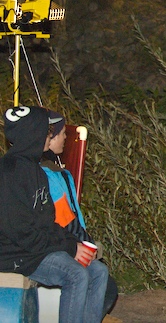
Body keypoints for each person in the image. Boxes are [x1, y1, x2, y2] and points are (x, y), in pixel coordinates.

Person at [0, 106, 109, 323]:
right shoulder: (10, 173)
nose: (49, 136)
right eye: (46, 131)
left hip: (34, 248)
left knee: (98, 271)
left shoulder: (37, 172)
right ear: (33, 135)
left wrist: (75, 244)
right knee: (75, 274)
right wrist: (69, 248)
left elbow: (48, 223)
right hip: (15, 254)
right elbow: (21, 232)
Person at [41, 111, 118, 317]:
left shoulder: (58, 172)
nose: (66, 137)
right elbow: (64, 218)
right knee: (99, 282)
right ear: (50, 138)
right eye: (62, 133)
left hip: (66, 241)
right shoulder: (47, 174)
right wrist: (84, 244)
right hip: (57, 244)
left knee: (101, 275)